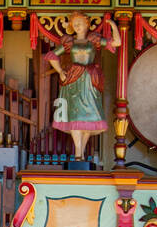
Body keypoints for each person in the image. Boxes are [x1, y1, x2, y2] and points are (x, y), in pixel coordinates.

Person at [43, 11, 122, 162]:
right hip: (73, 79)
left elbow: (117, 43)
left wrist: (113, 26)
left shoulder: (93, 40)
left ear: (87, 24)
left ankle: (81, 153)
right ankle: (78, 153)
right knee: (75, 116)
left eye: (80, 23)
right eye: (75, 24)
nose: (77, 26)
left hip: (90, 79)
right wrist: (60, 71)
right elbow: (51, 56)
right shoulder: (69, 42)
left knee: (89, 117)